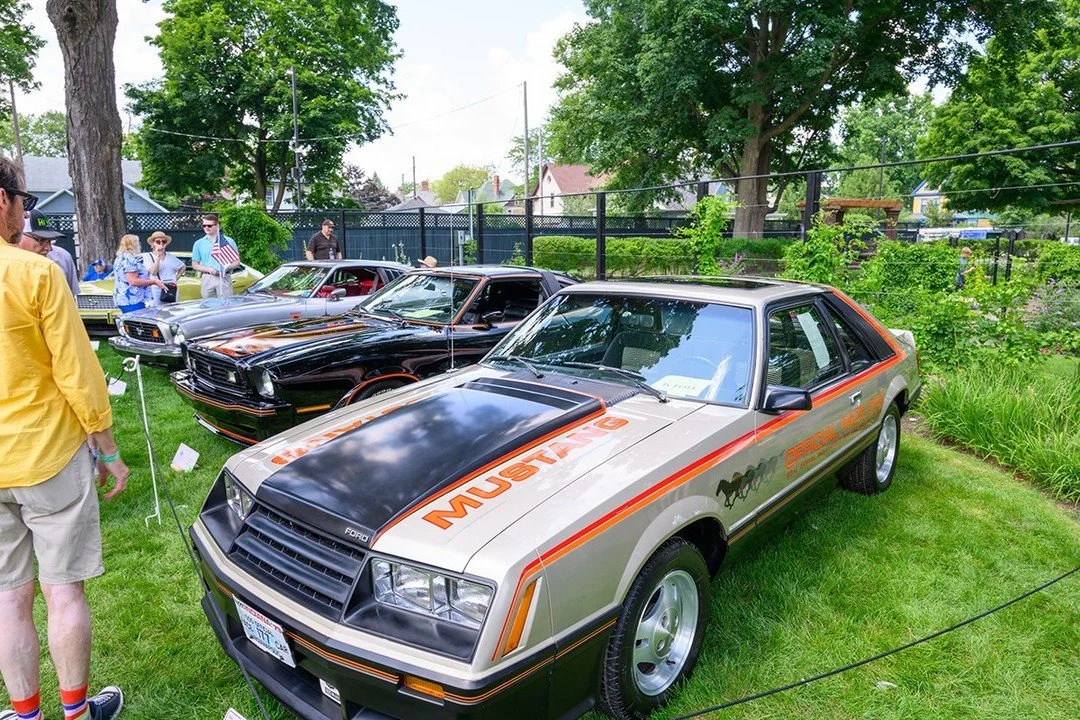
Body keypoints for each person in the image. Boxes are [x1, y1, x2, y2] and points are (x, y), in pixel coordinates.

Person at [0, 155, 128, 720]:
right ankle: (74, 713)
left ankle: (26, 713)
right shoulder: (36, 273)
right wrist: (109, 450)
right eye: (24, 201)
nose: (25, 214)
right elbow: (77, 372)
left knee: (8, 600)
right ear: (2, 200)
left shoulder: (35, 268)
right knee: (63, 591)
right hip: (47, 453)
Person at [112, 234, 166, 314]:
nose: (139, 244)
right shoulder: (130, 259)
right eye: (138, 242)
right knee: (138, 324)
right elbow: (133, 281)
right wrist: (154, 282)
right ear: (133, 244)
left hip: (122, 298)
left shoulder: (119, 258)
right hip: (133, 299)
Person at [191, 213, 240, 298]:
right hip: (207, 277)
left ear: (217, 225)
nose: (206, 228)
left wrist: (226, 267)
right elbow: (194, 265)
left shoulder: (228, 241)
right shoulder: (198, 243)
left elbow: (237, 262)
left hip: (224, 277)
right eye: (204, 225)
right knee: (208, 306)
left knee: (226, 305)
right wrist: (208, 269)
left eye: (209, 226)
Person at [141, 232, 186, 306]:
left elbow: (183, 266)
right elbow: (153, 272)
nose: (161, 243)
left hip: (171, 288)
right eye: (158, 242)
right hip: (157, 289)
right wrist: (158, 257)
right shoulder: (148, 256)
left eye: (163, 241)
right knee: (158, 312)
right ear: (153, 244)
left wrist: (176, 278)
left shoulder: (170, 256)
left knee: (173, 310)